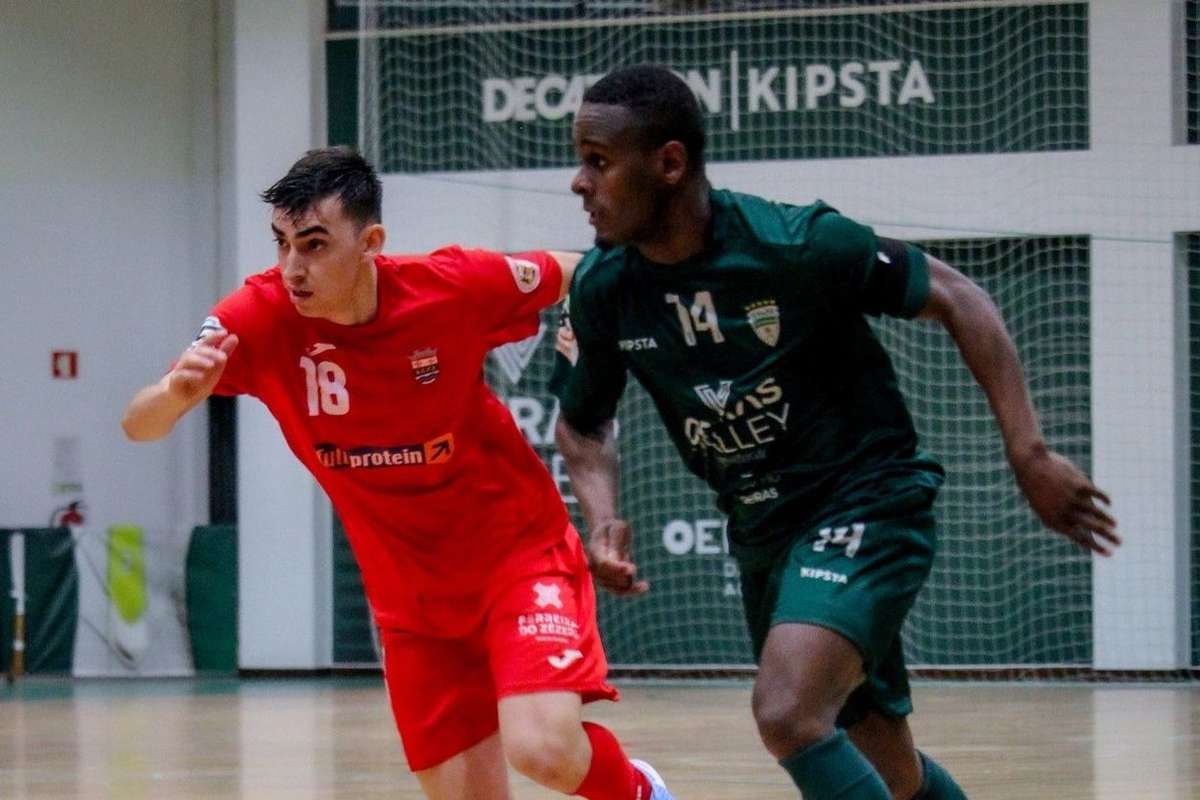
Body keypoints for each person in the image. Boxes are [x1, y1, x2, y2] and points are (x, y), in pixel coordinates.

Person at [551, 65, 1120, 800]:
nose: (578, 181)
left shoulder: (795, 245)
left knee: (787, 713)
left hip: (866, 501)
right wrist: (602, 521)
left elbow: (958, 295)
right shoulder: (605, 289)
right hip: (764, 531)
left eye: (597, 161)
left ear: (669, 163)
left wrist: (1029, 451)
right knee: (887, 764)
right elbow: (582, 427)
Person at [122, 146, 673, 800]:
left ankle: (639, 792)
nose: (293, 267)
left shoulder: (452, 285)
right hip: (412, 606)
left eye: (315, 244)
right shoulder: (256, 317)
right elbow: (139, 424)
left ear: (371, 242)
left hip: (515, 556)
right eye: (282, 244)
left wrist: (591, 333)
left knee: (543, 749)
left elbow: (583, 272)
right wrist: (177, 397)